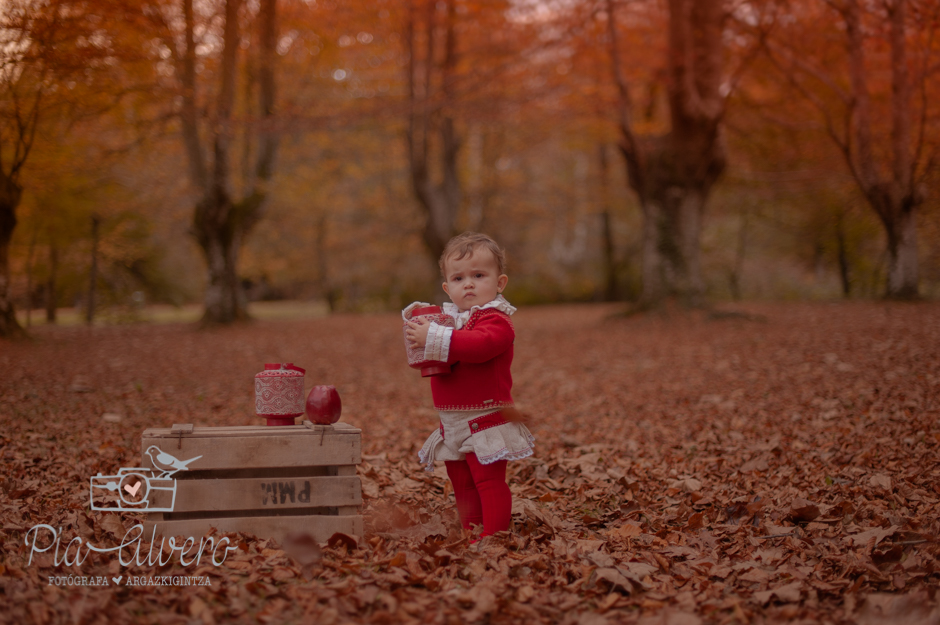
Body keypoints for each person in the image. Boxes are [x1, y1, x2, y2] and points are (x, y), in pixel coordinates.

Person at [404, 232, 535, 538]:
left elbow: (480, 346)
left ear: (499, 283)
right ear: (448, 288)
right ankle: (473, 534)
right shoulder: (450, 322)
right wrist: (423, 333)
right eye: (459, 278)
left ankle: (494, 538)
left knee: (488, 481)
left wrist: (435, 337)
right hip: (451, 419)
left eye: (479, 275)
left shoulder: (496, 320)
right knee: (461, 481)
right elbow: (439, 354)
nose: (470, 284)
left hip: (485, 416)